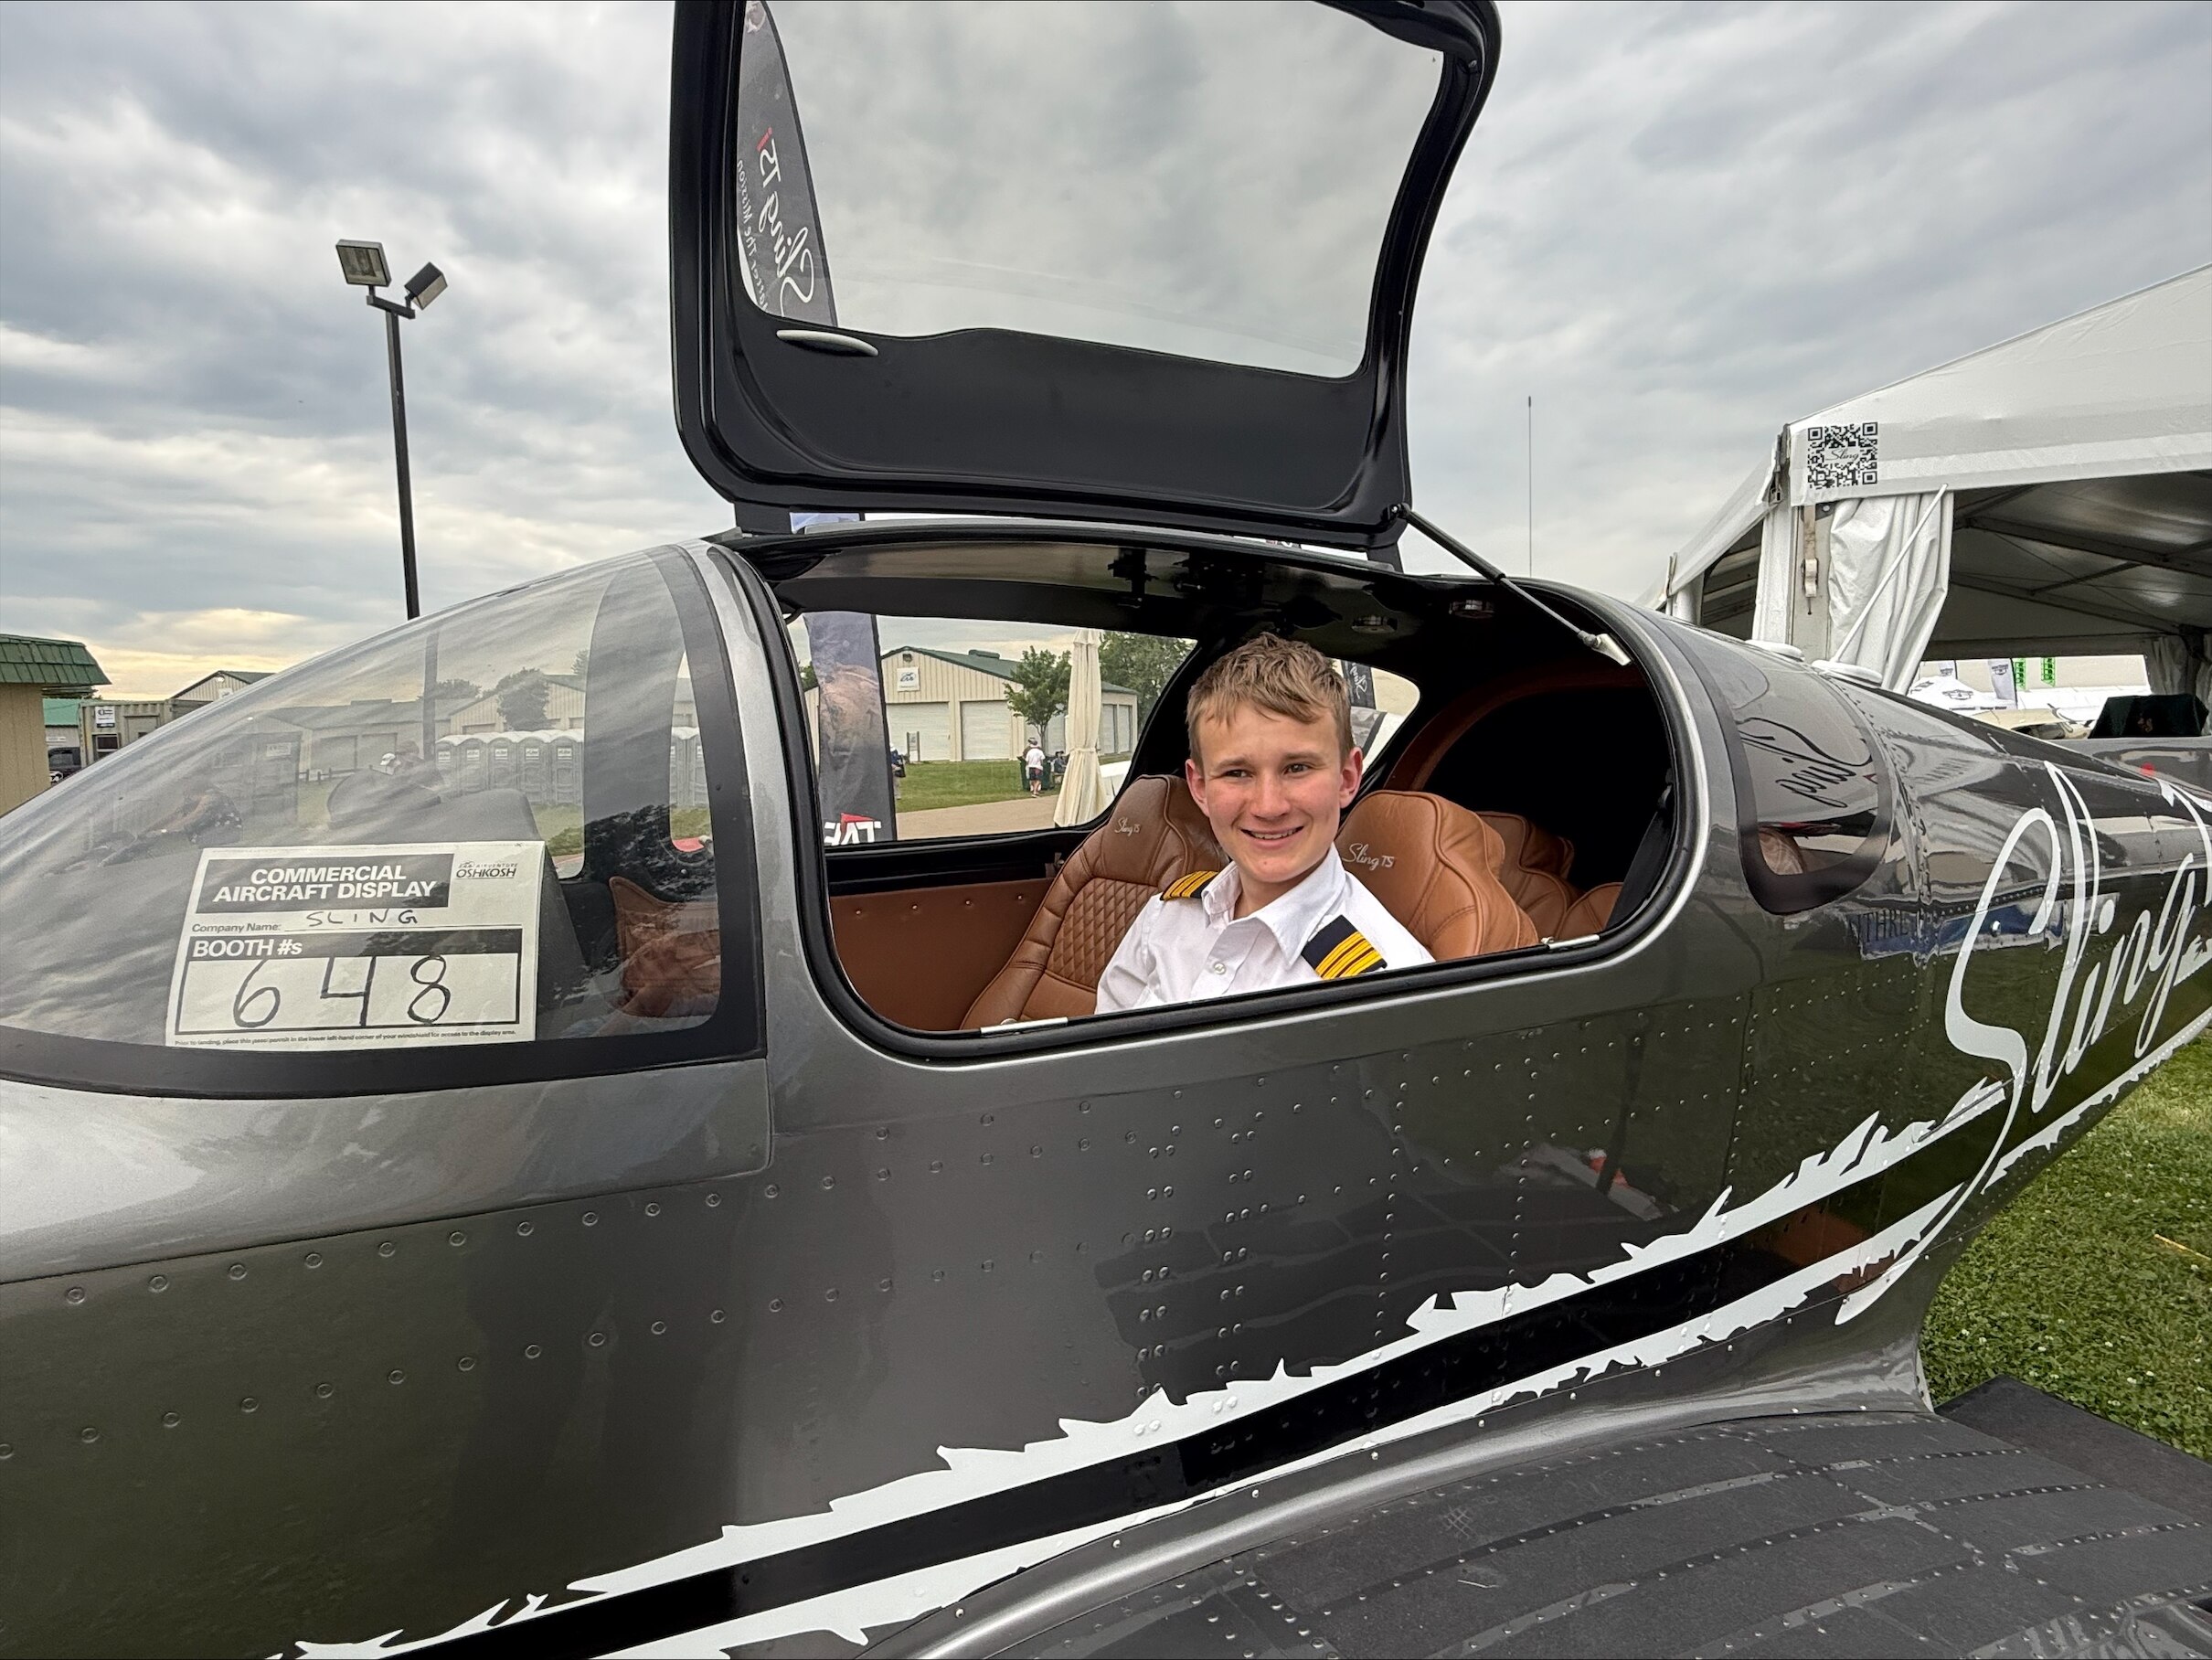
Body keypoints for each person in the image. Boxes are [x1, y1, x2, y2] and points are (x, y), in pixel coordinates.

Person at [1094, 635, 1429, 1013]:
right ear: (1200, 787)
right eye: (1237, 772)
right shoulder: (1167, 915)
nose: (1269, 806)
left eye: (1297, 768)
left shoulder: (1388, 985)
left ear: (1348, 778)